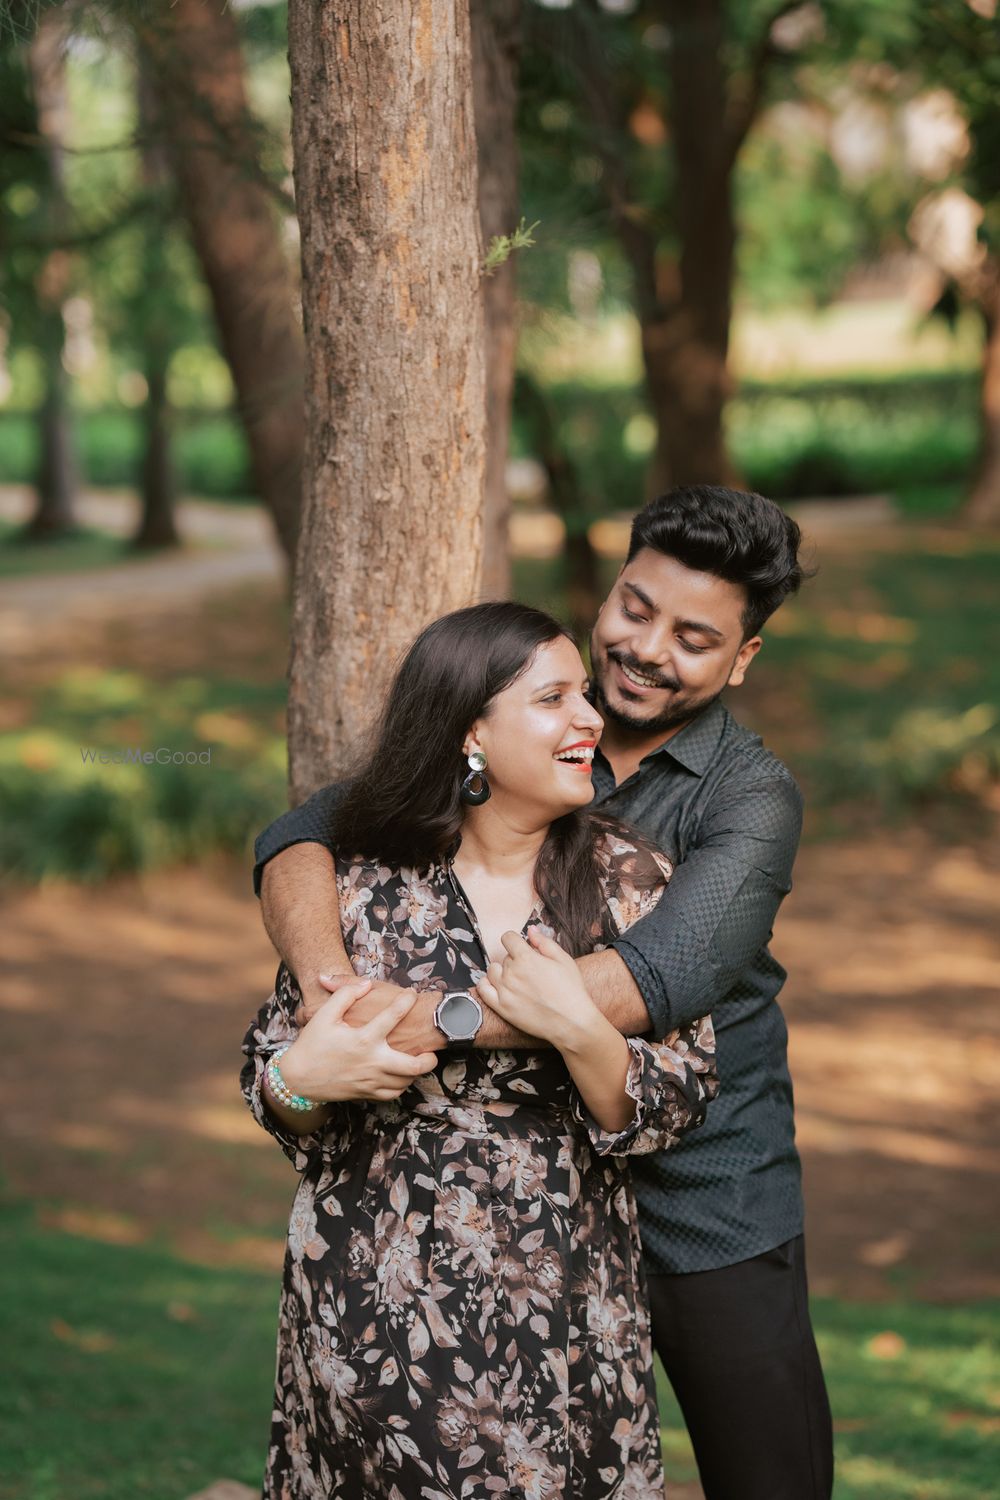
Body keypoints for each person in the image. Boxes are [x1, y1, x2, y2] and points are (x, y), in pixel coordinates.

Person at [253, 485, 835, 1500]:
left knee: (771, 1478)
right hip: (517, 1217)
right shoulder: (529, 704)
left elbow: (648, 981)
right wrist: (321, 992)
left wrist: (410, 1021)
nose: (646, 648)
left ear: (742, 661)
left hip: (703, 1185)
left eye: (694, 638)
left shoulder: (747, 795)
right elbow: (300, 832)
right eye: (636, 609)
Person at [241, 602, 718, 1499]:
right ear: (472, 734)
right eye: (554, 699)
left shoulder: (630, 879)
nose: (590, 719)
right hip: (375, 1311)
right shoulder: (361, 894)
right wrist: (297, 1079)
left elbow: (679, 1095)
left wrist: (576, 1025)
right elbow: (274, 1086)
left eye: (585, 695)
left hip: (569, 1306)